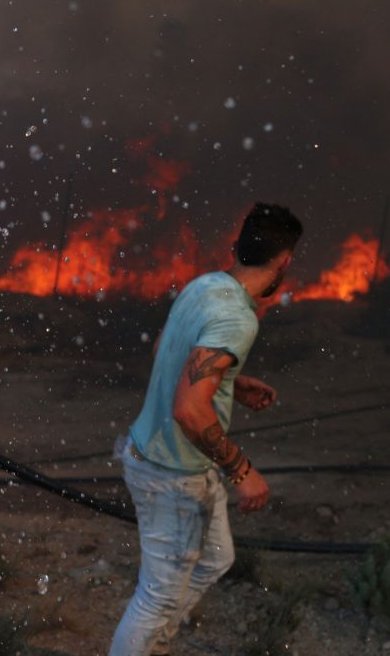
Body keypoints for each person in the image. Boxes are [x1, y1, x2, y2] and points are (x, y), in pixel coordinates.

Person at [108, 203, 302, 656]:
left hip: (165, 459)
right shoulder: (237, 318)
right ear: (284, 262)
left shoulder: (206, 286)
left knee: (216, 559)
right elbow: (189, 412)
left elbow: (165, 348)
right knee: (156, 596)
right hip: (170, 475)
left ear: (238, 245)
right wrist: (242, 470)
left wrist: (228, 385)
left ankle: (153, 646)